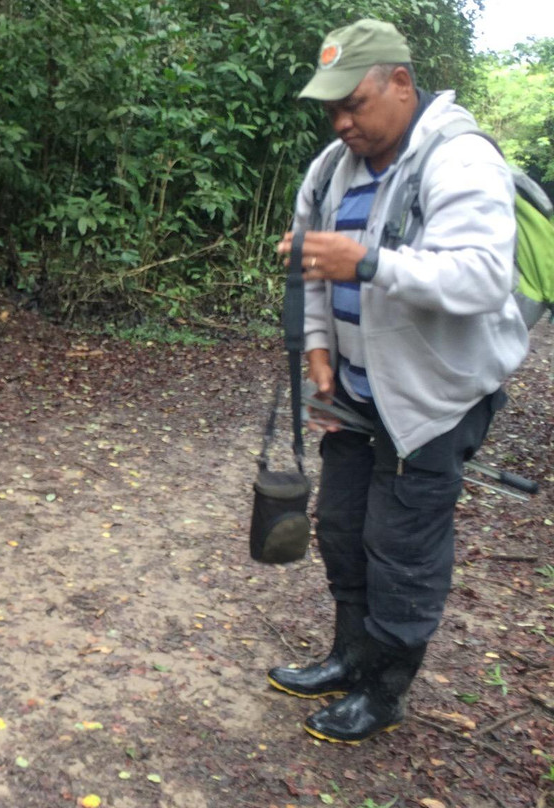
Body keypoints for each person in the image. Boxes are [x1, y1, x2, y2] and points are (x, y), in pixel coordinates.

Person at [270, 19, 528, 743]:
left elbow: (481, 275)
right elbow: (312, 271)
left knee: (402, 545)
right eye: (332, 110)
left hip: (436, 397)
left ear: (402, 83)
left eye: (354, 102)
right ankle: (350, 655)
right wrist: (320, 355)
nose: (343, 121)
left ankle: (385, 689)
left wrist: (372, 263)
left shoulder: (460, 159)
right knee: (345, 530)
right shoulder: (329, 169)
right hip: (354, 387)